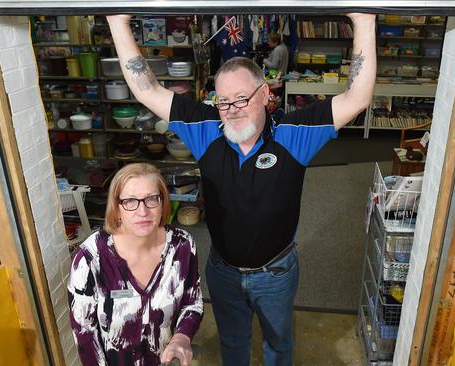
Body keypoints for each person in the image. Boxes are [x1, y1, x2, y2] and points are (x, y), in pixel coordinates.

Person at [107, 13, 376, 365]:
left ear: (265, 94)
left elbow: (357, 97)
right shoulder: (205, 128)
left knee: (279, 345)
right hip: (223, 272)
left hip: (276, 273)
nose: (231, 111)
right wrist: (117, 22)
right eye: (222, 101)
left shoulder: (294, 133)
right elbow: (146, 89)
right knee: (232, 345)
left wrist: (364, 20)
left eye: (241, 99)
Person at [68, 163, 203, 366]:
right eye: (130, 201)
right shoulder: (90, 258)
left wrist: (182, 337)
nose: (143, 211)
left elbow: (192, 303)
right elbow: (84, 332)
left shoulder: (182, 246)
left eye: (151, 199)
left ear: (163, 202)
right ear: (116, 207)